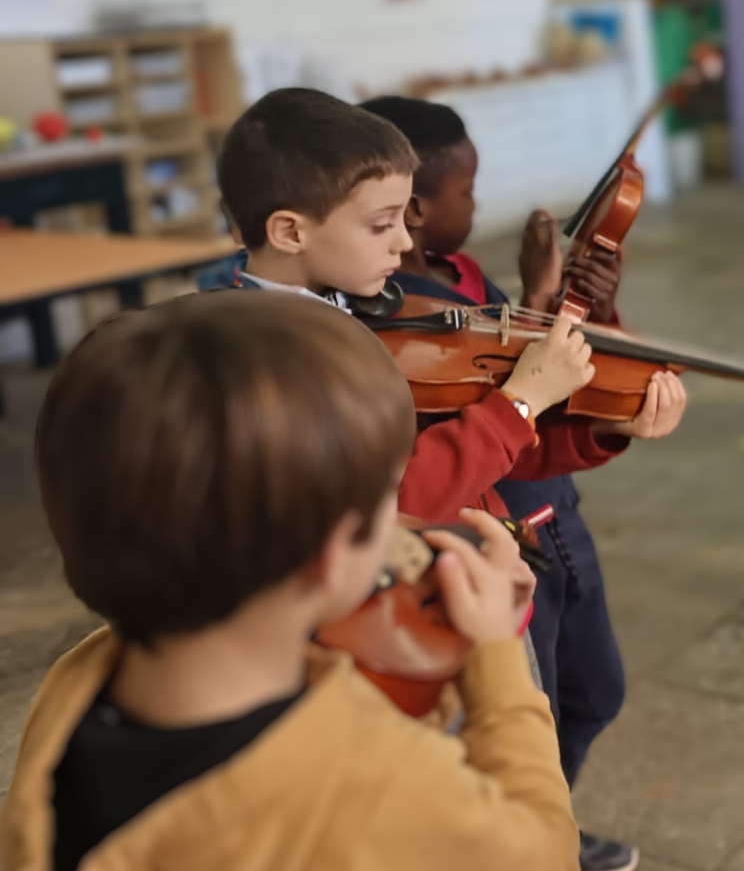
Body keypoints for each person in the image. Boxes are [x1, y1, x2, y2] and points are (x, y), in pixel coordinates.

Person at [1, 290, 577, 871]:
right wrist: (496, 659)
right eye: (387, 496)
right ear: (327, 559)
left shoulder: (76, 683)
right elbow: (543, 851)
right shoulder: (379, 787)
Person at [360, 95, 683, 871]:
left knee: (582, 694)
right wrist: (539, 332)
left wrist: (570, 315)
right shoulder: (375, 324)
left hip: (520, 507)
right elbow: (499, 413)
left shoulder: (460, 279)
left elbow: (529, 395)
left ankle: (549, 828)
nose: (477, 202)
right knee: (521, 716)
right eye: (465, 192)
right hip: (494, 535)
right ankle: (535, 840)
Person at [211, 87, 657, 528]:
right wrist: (520, 403)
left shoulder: (368, 310)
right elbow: (395, 502)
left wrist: (605, 426)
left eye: (403, 219)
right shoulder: (269, 367)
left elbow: (483, 450)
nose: (404, 242)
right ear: (290, 232)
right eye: (382, 225)